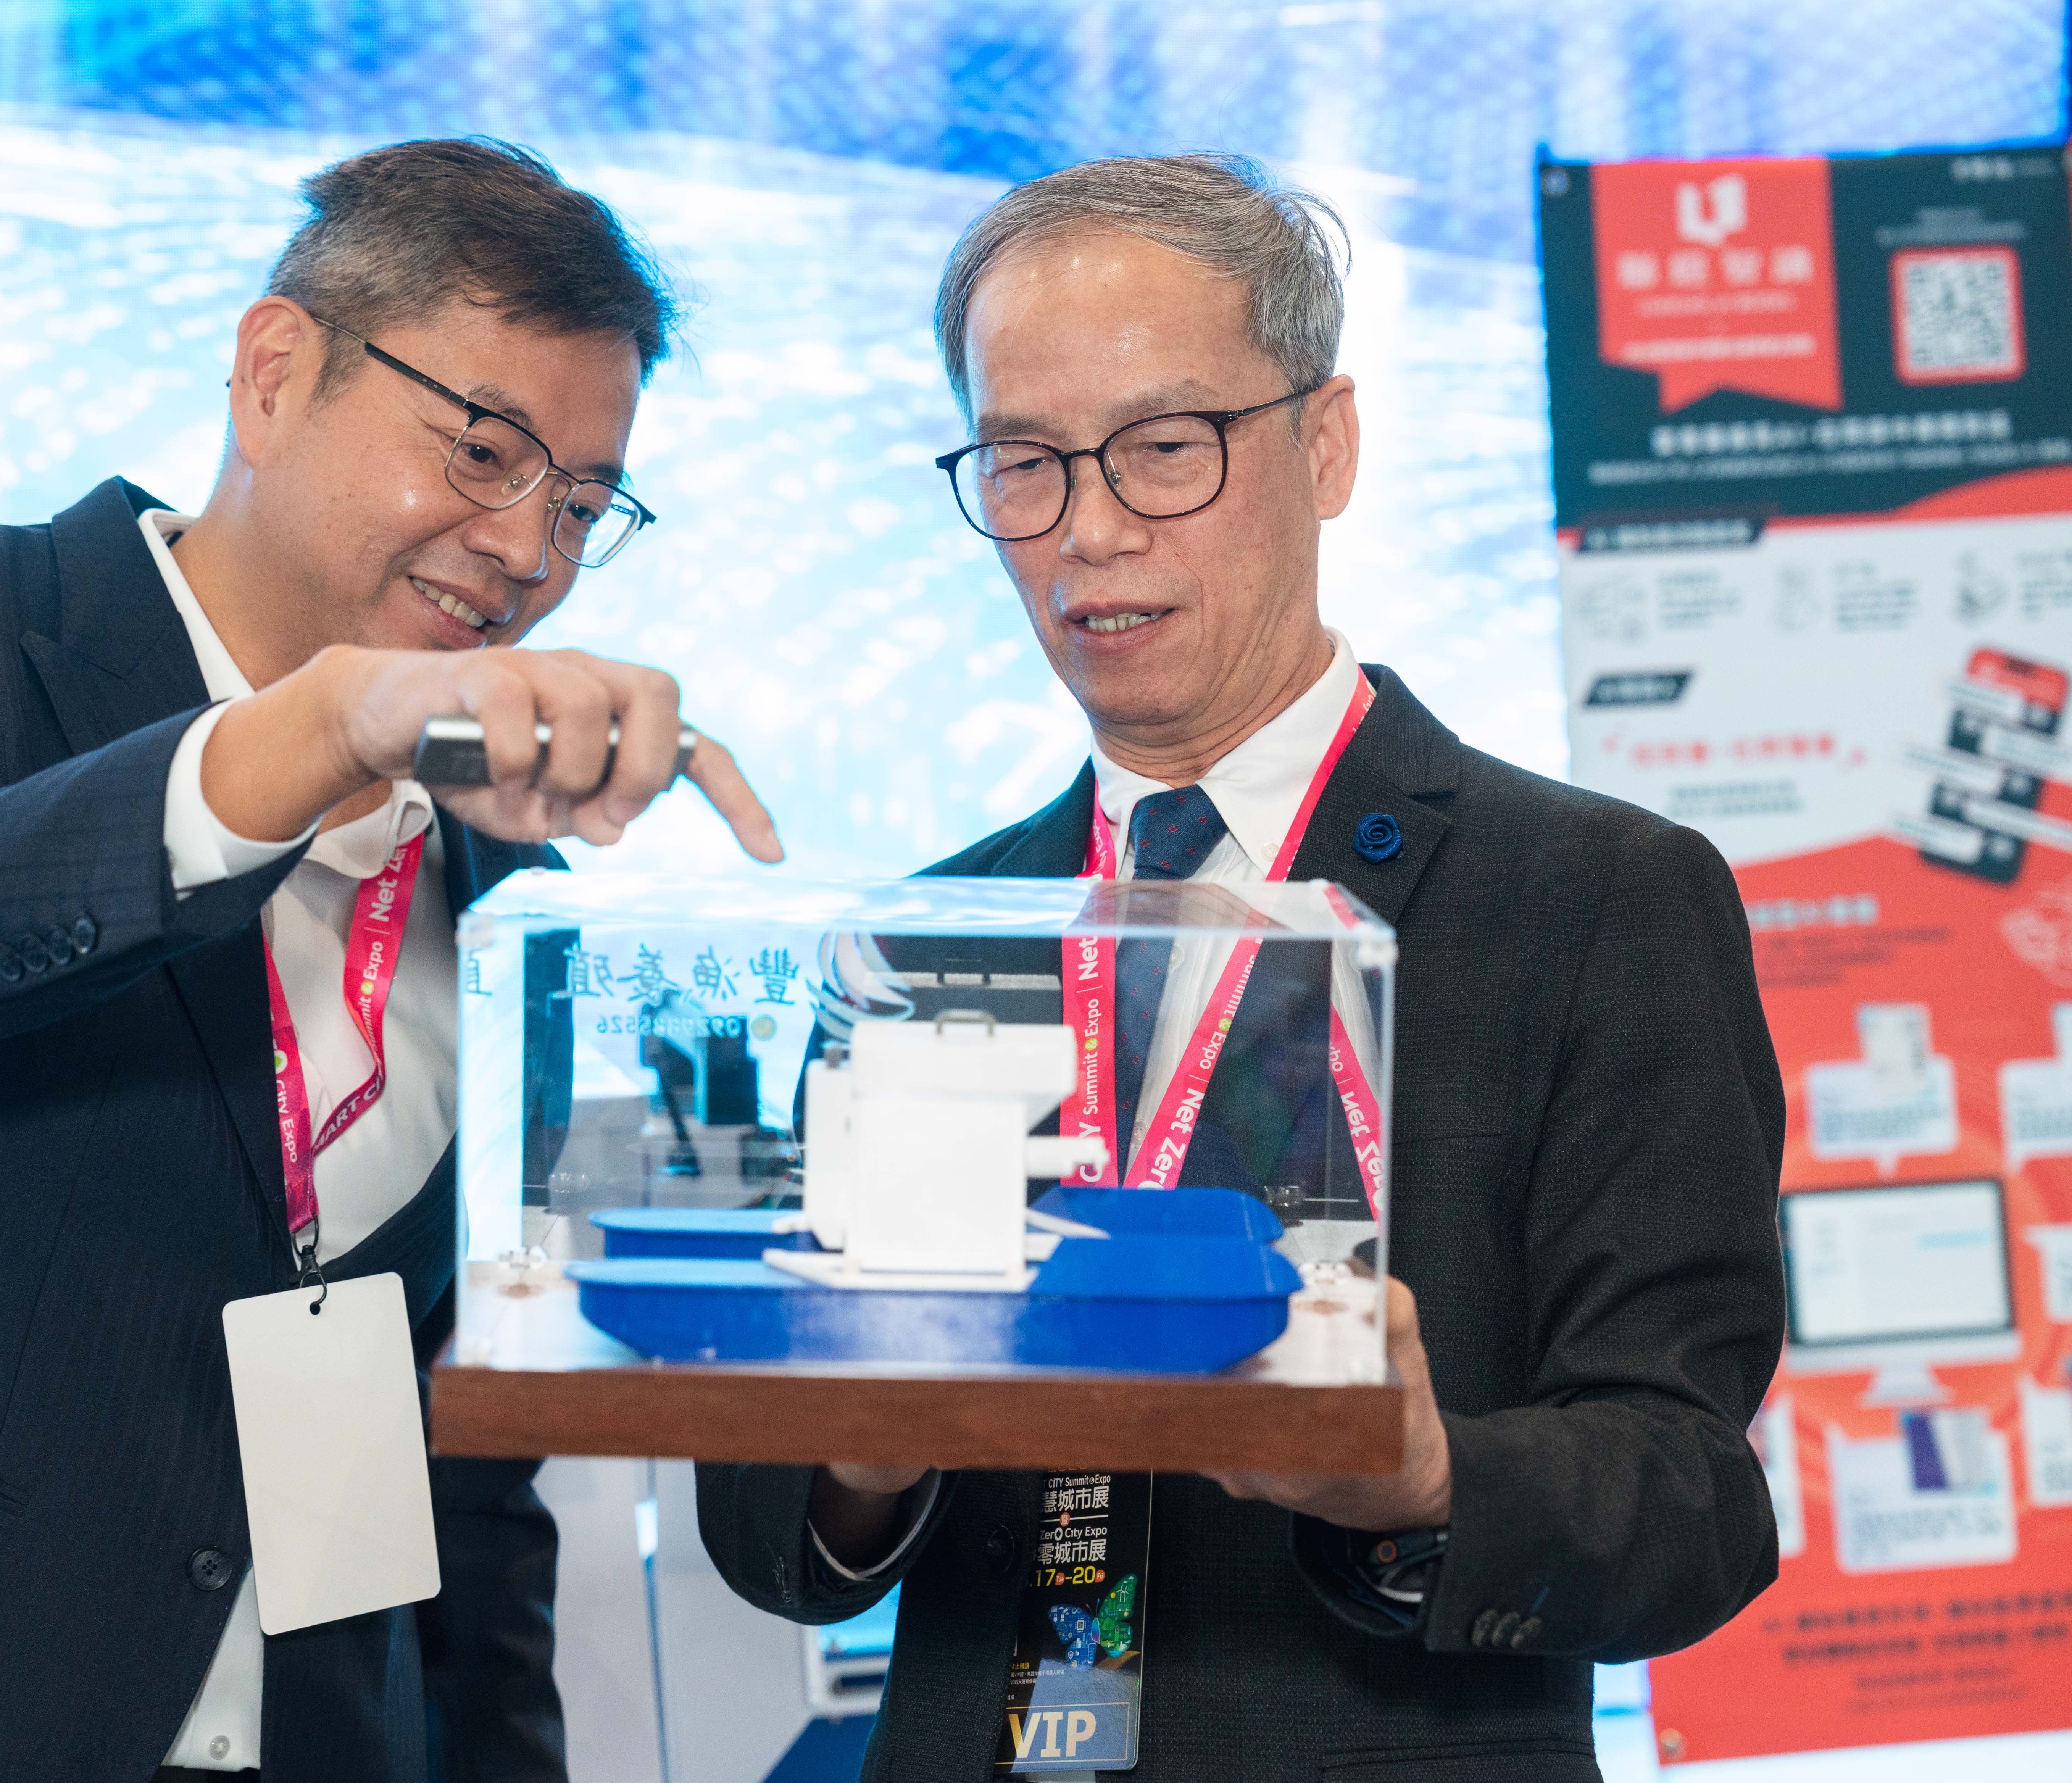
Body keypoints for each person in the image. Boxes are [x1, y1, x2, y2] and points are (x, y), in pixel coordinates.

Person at [0, 138, 779, 1783]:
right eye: (484, 451)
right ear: (276, 374)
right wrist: (327, 724)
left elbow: (464, 1483)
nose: (527, 548)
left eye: (583, 503)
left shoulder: (502, 894)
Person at [696, 153, 1785, 1780]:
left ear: (1325, 443)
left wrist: (1425, 1476)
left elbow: (1694, 1497)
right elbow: (765, 1523)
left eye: (1164, 448)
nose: (1092, 529)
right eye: (1025, 465)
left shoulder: (1595, 900)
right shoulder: (932, 935)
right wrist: (856, 1447)